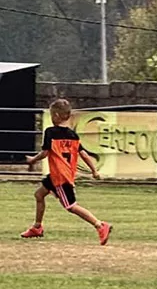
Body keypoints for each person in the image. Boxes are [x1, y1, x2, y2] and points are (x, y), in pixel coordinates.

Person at [20, 99, 112, 245]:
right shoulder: (73, 135)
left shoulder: (50, 132)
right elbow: (84, 154)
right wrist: (94, 170)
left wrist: (32, 160)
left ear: (56, 115)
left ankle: (100, 225)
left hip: (60, 176)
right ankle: (37, 227)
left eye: (51, 115)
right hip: (62, 173)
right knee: (39, 194)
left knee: (71, 206)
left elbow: (45, 153)